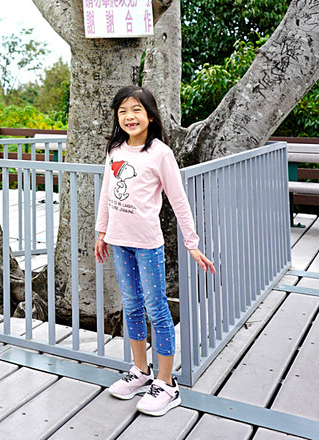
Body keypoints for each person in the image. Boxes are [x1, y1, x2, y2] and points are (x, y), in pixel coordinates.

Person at [94, 85, 216, 416]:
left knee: (157, 309)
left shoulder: (160, 153)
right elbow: (107, 193)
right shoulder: (116, 150)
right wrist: (101, 232)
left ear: (150, 116)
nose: (129, 117)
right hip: (119, 242)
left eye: (136, 110)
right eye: (122, 111)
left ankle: (166, 384)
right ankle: (140, 371)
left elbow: (178, 200)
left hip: (147, 244)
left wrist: (192, 243)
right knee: (131, 307)